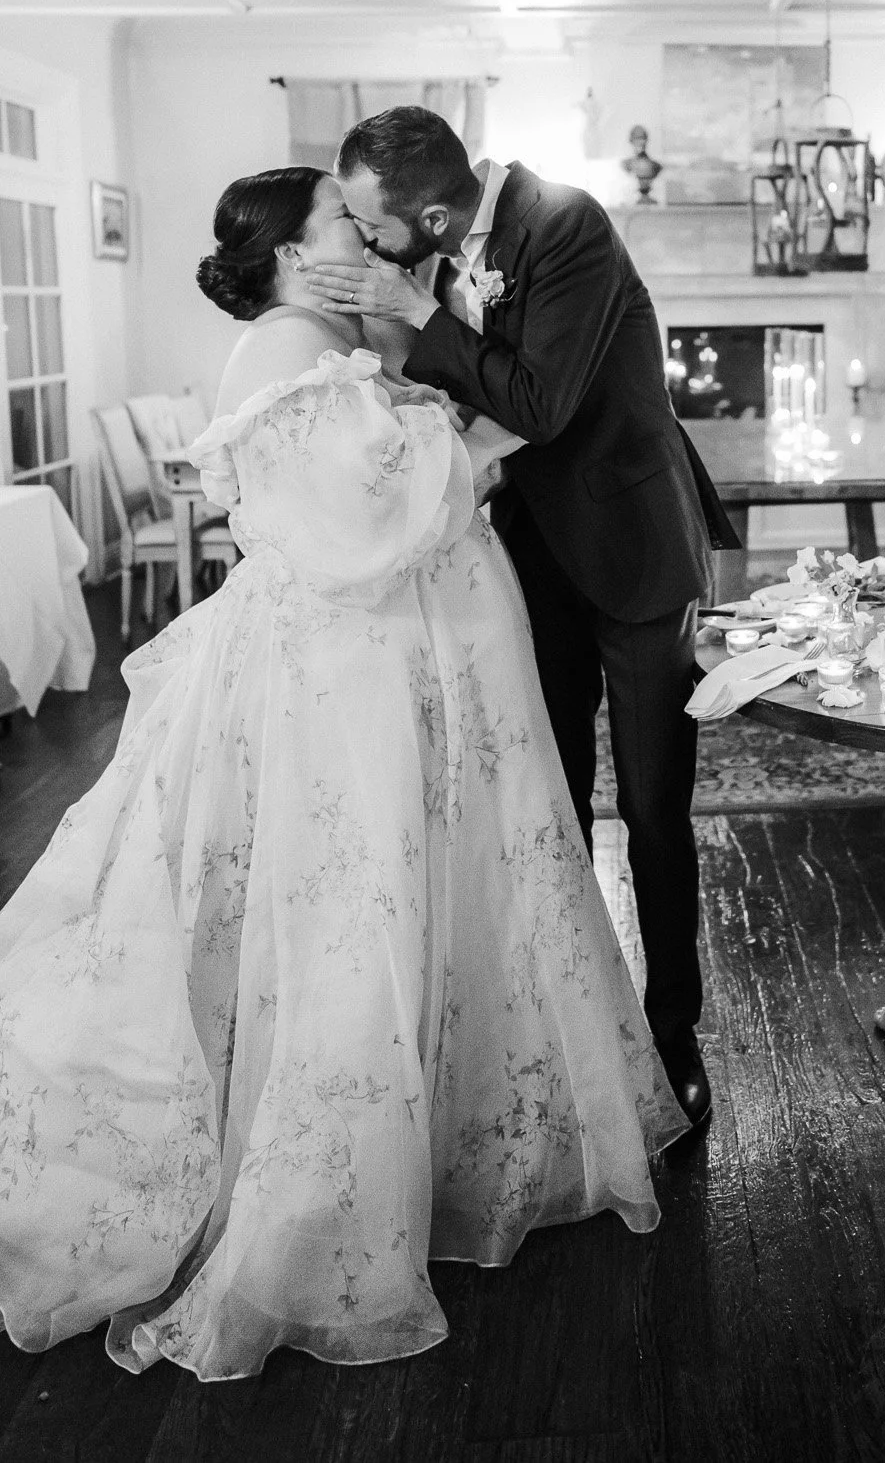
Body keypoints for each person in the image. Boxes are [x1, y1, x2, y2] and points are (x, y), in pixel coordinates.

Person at [0, 168, 685, 1381]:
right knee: (344, 904)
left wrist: (432, 367)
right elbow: (373, 522)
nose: (364, 235)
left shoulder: (330, 336)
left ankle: (436, 1120)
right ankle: (321, 1174)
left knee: (417, 895)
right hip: (336, 687)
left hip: (383, 675)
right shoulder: (281, 351)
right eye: (339, 221)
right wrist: (470, 433)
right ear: (286, 256)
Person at [305, 109, 738, 1136]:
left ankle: (671, 1035)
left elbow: (539, 404)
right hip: (530, 557)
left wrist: (414, 316)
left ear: (438, 212)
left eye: (376, 225)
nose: (368, 244)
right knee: (547, 805)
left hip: (633, 553)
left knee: (653, 811)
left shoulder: (567, 224)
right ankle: (565, 1029)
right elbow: (465, 398)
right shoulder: (444, 254)